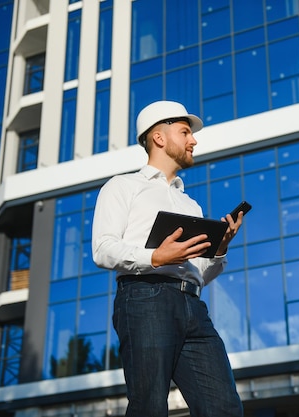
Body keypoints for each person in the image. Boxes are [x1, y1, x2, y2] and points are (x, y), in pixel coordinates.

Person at [91, 100, 245, 417]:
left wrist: (219, 249)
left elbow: (198, 272)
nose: (194, 140)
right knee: (149, 406)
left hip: (192, 305)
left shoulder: (189, 204)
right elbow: (103, 249)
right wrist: (156, 257)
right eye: (185, 132)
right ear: (159, 138)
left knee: (224, 408)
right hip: (144, 298)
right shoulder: (122, 186)